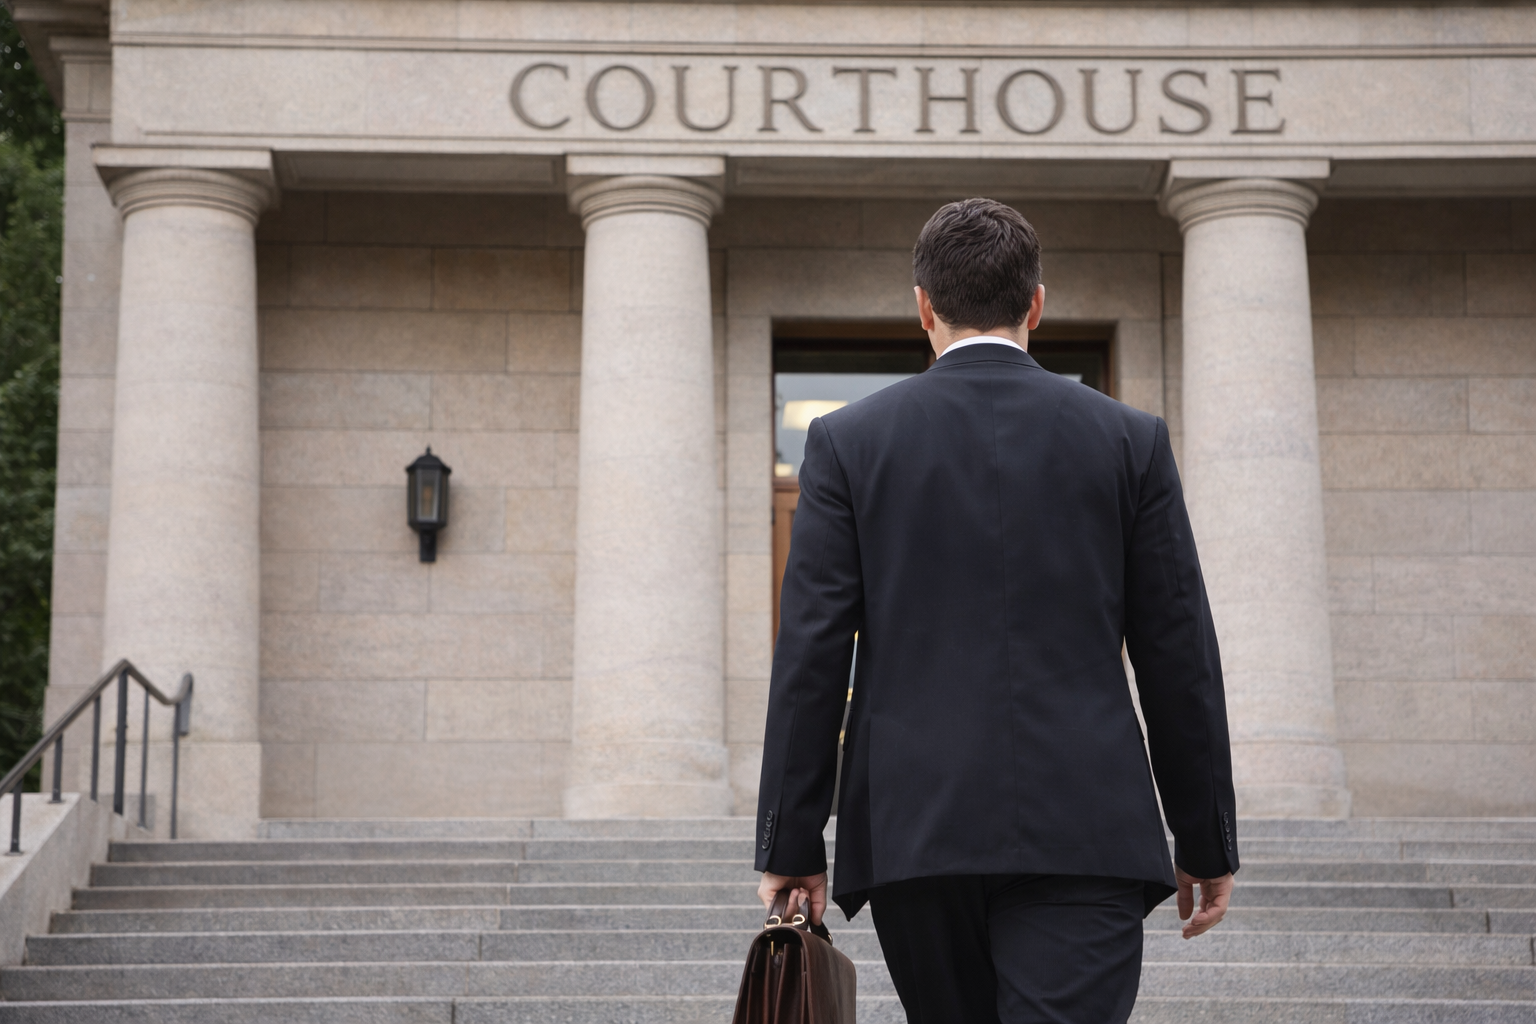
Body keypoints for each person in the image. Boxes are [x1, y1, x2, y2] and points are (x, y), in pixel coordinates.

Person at [753, 197, 1238, 1024]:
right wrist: (1204, 837)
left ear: (923, 308)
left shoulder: (846, 443)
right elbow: (1177, 653)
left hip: (916, 831)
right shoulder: (1131, 440)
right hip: (1088, 829)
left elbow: (811, 656)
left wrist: (793, 843)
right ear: (1036, 304)